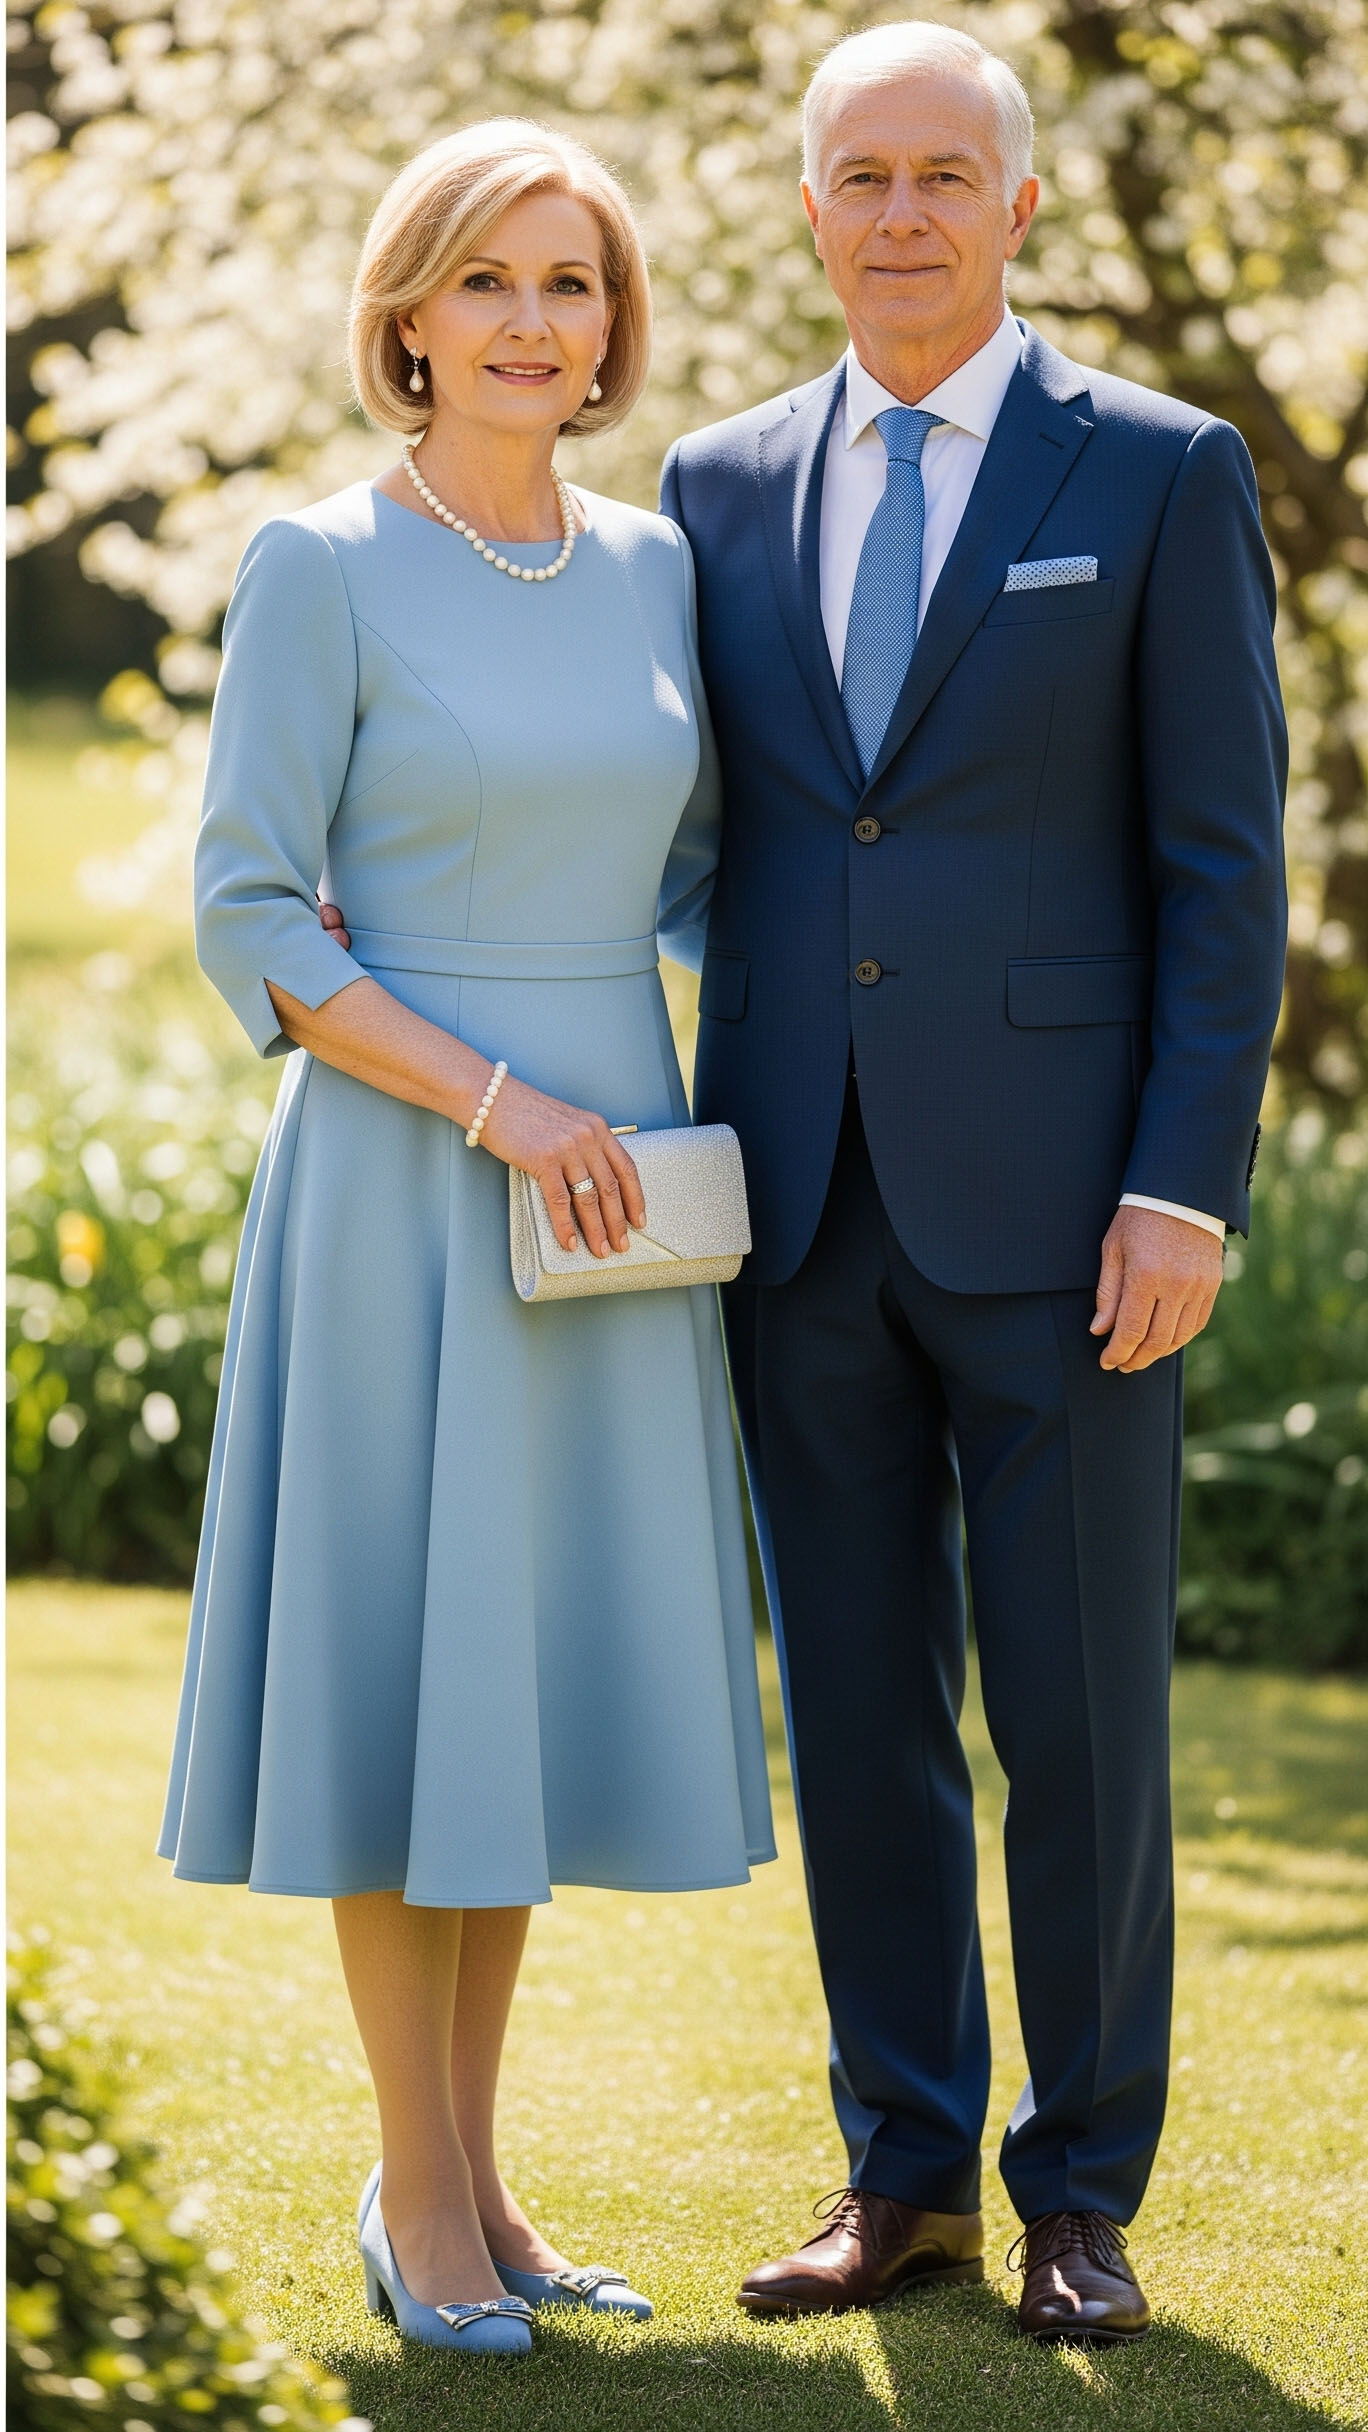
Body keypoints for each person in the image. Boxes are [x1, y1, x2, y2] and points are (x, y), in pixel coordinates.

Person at [660, 22, 1287, 2341]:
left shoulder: (1160, 466)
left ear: (1021, 207)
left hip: (1072, 1220)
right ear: (806, 207)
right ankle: (902, 2167)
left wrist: (1185, 1183)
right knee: (861, 1713)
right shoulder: (712, 488)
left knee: (1085, 1717)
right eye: (862, 174)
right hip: (802, 1199)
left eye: (947, 173)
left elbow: (1225, 869)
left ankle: (1083, 2191)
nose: (903, 212)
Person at [157, 118, 775, 2357]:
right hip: (414, 1182)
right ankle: (413, 2201)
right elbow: (251, 908)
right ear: (408, 316)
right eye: (494, 282)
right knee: (403, 1680)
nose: (539, 324)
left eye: (575, 285)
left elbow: (716, 868)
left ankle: (488, 2190)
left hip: (612, 1186)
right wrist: (500, 1104)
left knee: (505, 1688)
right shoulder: (318, 563)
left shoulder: (653, 567)